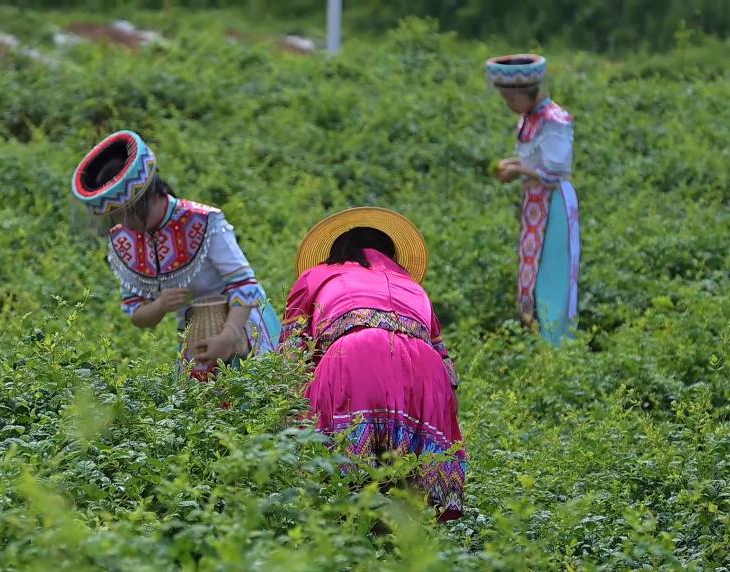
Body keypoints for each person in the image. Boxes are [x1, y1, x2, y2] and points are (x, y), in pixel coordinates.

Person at [281, 207, 465, 522]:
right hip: (426, 367)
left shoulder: (315, 276)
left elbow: (290, 362)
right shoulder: (414, 288)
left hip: (353, 355)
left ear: (336, 249)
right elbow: (449, 378)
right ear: (391, 254)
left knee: (344, 490)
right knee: (407, 494)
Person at [71, 130, 281, 378]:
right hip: (195, 337)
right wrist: (160, 305)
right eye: (115, 216)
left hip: (243, 328)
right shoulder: (124, 238)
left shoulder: (204, 221)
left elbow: (245, 285)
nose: (122, 223)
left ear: (146, 198)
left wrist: (227, 336)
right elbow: (136, 312)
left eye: (125, 213)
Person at [487, 54, 580, 346]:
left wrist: (518, 170)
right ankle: (537, 336)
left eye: (509, 98)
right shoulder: (529, 118)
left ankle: (556, 342)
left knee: (552, 270)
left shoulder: (554, 120)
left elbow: (553, 171)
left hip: (554, 203)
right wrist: (513, 164)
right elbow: (535, 160)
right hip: (535, 202)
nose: (508, 104)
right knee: (533, 269)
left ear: (524, 92)